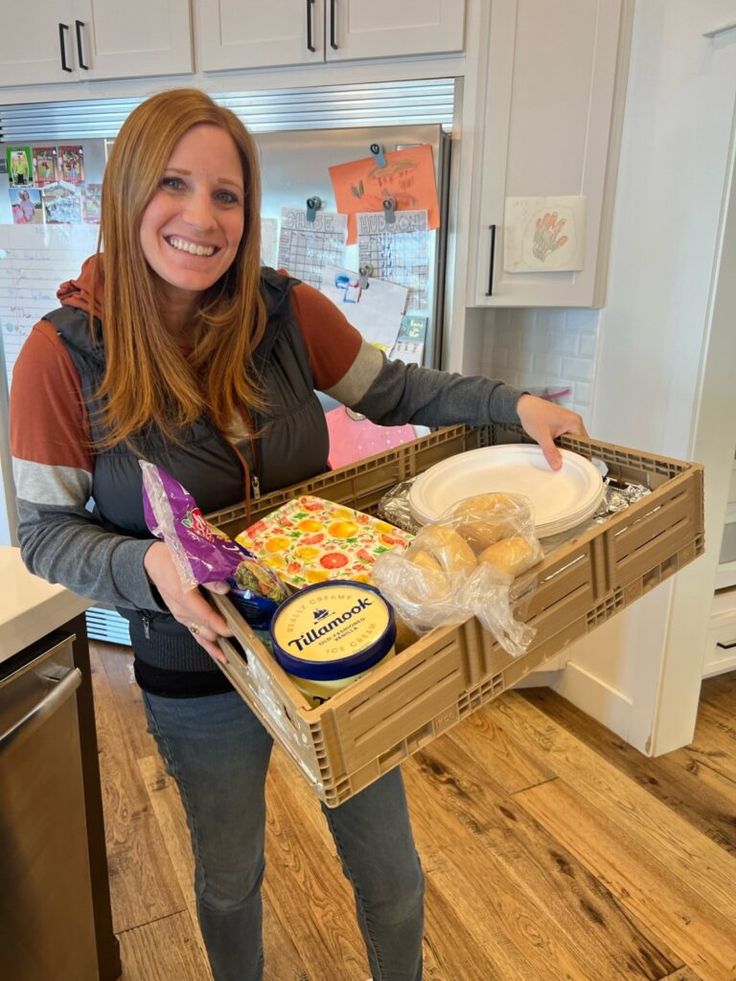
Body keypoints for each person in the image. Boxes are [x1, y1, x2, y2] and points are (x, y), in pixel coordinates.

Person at [10, 88, 587, 981]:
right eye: (173, 184)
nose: (202, 217)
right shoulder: (61, 354)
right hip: (197, 669)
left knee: (390, 872)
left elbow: (396, 390)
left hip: (345, 640)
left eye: (227, 194)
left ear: (247, 210)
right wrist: (149, 563)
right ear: (127, 192)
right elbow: (44, 533)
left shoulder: (284, 313)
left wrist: (511, 403)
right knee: (232, 876)